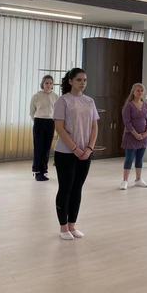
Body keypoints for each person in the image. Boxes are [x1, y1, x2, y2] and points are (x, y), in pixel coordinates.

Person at [53, 68, 99, 240]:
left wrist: (89, 148)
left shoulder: (89, 101)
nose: (82, 83)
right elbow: (59, 128)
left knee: (77, 188)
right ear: (71, 81)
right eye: (79, 80)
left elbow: (94, 127)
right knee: (66, 188)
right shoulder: (63, 101)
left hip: (85, 153)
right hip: (65, 152)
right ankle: (63, 227)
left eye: (85, 80)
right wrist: (75, 148)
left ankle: (72, 225)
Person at [120, 83, 147, 190]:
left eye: (141, 91)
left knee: (139, 158)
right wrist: (135, 134)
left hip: (143, 136)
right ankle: (125, 181)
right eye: (138, 90)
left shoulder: (145, 105)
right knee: (129, 158)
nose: (140, 92)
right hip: (131, 136)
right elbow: (127, 122)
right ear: (133, 92)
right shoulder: (128, 106)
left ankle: (138, 179)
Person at [30, 75, 58, 181]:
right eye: (46, 83)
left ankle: (44, 171)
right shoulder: (36, 96)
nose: (48, 85)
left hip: (50, 123)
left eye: (51, 83)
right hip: (39, 122)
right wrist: (37, 121)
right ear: (43, 84)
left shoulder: (55, 96)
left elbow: (57, 111)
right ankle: (37, 171)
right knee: (38, 148)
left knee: (46, 148)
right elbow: (32, 111)